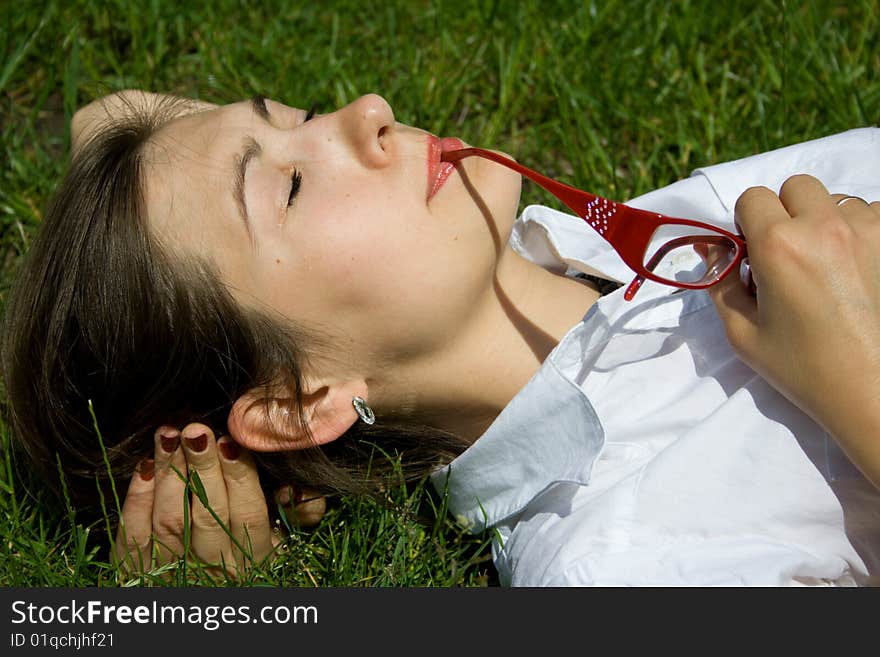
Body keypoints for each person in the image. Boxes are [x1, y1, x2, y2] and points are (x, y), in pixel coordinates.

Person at [2, 90, 878, 585]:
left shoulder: (662, 231)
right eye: (295, 185)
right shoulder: (622, 558)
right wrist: (857, 374)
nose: (369, 110)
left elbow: (104, 115)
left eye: (296, 112)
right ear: (300, 400)